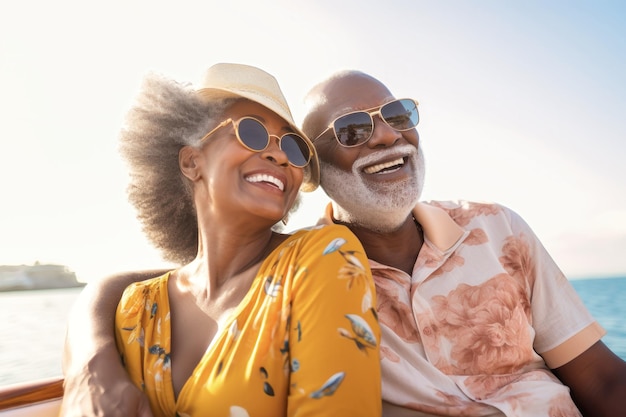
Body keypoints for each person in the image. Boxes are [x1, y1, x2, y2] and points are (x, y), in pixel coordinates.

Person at [60, 68, 626, 417]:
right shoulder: (302, 268)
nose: (387, 134)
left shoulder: (499, 227)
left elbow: (601, 379)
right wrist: (92, 360)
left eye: (398, 114)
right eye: (353, 130)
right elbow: (131, 287)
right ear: (320, 174)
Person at [59, 63, 382, 417]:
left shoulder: (323, 257)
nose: (279, 155)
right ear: (191, 161)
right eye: (252, 133)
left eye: (293, 148)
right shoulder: (137, 307)